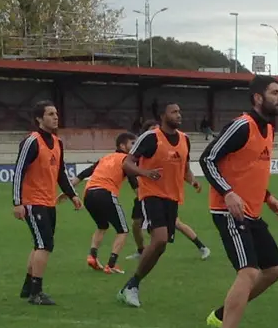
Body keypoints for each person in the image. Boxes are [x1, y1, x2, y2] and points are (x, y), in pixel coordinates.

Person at [200, 75, 278, 328]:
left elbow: (249, 170)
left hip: (253, 211)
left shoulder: (269, 130)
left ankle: (223, 315)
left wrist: (269, 197)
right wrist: (227, 193)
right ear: (257, 98)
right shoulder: (242, 126)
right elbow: (208, 159)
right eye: (274, 92)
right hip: (229, 211)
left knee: (274, 270)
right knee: (248, 272)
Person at [117, 102, 202, 308]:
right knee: (160, 238)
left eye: (180, 111)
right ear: (163, 116)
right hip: (151, 194)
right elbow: (127, 163)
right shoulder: (151, 137)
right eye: (174, 112)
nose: (179, 115)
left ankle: (131, 285)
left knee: (160, 246)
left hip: (172, 198)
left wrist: (192, 180)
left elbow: (185, 169)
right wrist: (145, 173)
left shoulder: (185, 139)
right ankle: (132, 286)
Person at [13, 100, 82, 305]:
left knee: (39, 244)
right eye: (50, 114)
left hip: (48, 201)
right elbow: (18, 171)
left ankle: (28, 286)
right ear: (39, 119)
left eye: (56, 114)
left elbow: (60, 173)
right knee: (45, 244)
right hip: (33, 202)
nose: (55, 117)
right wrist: (17, 202)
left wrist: (72, 195)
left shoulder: (57, 143)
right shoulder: (31, 141)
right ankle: (36, 292)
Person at [125, 120, 210, 261]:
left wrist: (192, 180)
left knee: (170, 225)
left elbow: (183, 170)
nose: (157, 133)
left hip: (165, 195)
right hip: (147, 194)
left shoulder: (172, 145)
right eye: (153, 130)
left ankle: (201, 246)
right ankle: (142, 252)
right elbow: (131, 172)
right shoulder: (144, 150)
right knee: (137, 224)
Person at [64, 132, 139, 275]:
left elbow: (86, 172)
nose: (134, 146)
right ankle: (111, 265)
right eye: (132, 143)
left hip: (89, 194)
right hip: (106, 193)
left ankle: (92, 256)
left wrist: (70, 189)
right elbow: (133, 180)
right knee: (123, 231)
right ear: (122, 146)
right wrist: (142, 198)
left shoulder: (106, 157)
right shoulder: (126, 159)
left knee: (102, 226)